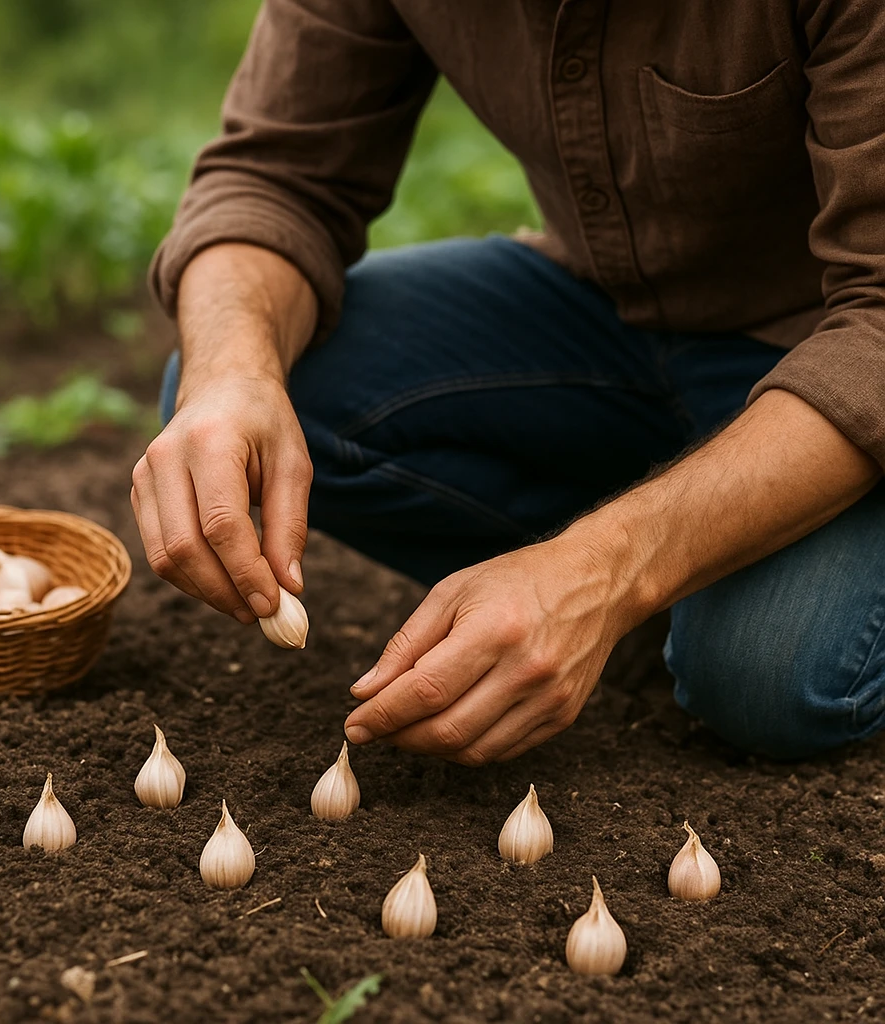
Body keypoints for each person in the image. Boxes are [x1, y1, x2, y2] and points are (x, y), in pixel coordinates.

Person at [131, 2, 885, 766]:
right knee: (241, 405)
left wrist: (602, 569)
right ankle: (635, 579)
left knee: (765, 676)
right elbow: (275, 175)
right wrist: (231, 373)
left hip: (833, 349)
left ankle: (647, 583)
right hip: (606, 311)